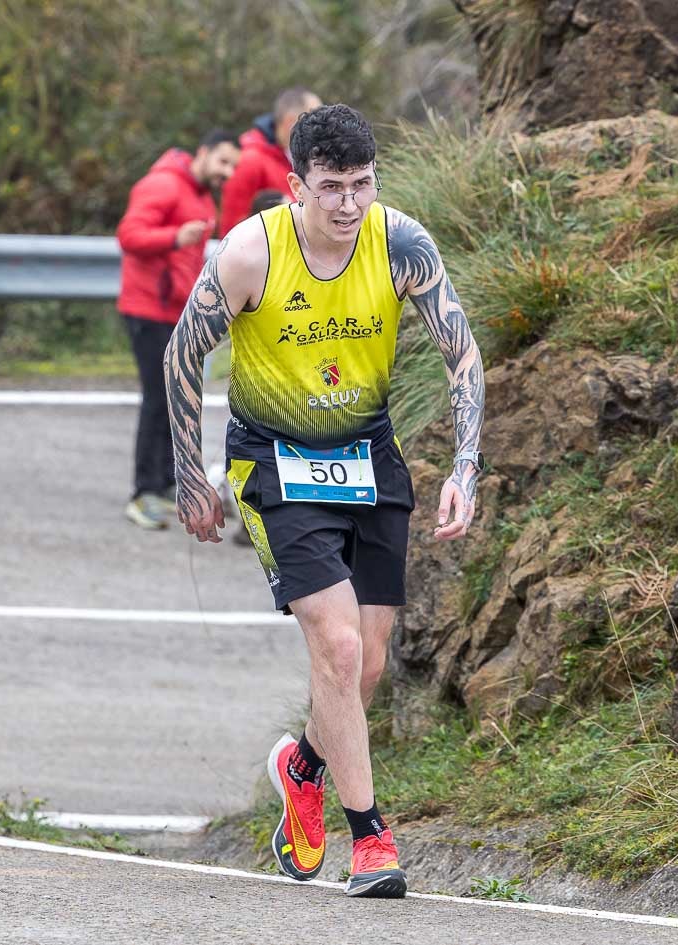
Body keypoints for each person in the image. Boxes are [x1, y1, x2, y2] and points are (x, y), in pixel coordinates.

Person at [165, 104, 485, 899]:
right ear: (294, 186)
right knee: (337, 650)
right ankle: (371, 837)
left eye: (362, 185)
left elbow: (461, 352)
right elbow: (180, 356)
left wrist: (466, 466)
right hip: (274, 463)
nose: (348, 204)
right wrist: (188, 475)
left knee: (368, 662)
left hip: (369, 456)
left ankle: (300, 766)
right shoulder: (250, 253)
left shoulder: (400, 241)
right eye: (331, 187)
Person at [116, 130, 240, 529]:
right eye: (223, 162)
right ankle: (143, 492)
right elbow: (129, 235)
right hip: (149, 310)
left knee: (176, 397)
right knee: (158, 398)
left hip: (175, 311)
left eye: (233, 165)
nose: (228, 171)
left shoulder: (201, 194)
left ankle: (167, 483)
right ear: (202, 154)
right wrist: (174, 237)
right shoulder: (164, 185)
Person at [219, 88, 322, 234]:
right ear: (290, 121)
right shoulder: (250, 159)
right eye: (314, 122)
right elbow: (231, 226)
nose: (320, 129)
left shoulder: (289, 153)